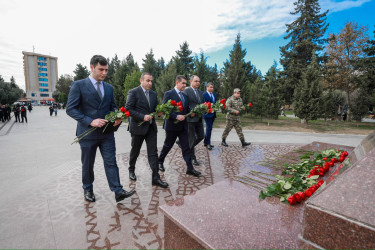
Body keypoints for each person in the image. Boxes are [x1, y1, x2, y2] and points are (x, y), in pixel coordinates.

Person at [66, 55, 135, 203]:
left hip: (106, 134)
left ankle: (118, 191)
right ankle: (88, 189)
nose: (104, 73)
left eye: (106, 70)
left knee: (111, 162)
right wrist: (90, 121)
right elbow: (70, 109)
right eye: (101, 69)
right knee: (88, 164)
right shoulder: (78, 85)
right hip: (87, 134)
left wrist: (117, 117)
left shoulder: (109, 88)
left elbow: (113, 106)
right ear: (92, 67)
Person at [125, 73, 168, 188]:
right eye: (148, 80)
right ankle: (131, 169)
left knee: (153, 153)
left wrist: (159, 112)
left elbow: (154, 109)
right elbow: (128, 109)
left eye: (151, 81)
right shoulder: (133, 92)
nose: (150, 83)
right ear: (141, 80)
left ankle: (155, 177)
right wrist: (142, 117)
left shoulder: (153, 94)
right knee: (135, 151)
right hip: (138, 128)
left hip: (151, 128)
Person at [158, 75, 201, 177]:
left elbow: (185, 110)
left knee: (186, 147)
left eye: (185, 84)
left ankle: (190, 168)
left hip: (183, 127)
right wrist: (176, 116)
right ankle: (160, 161)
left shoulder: (185, 96)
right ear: (177, 83)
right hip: (172, 126)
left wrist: (191, 113)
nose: (185, 85)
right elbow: (165, 109)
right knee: (168, 145)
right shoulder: (169, 94)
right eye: (183, 83)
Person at [183, 75, 204, 165]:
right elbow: (184, 104)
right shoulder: (186, 91)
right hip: (190, 119)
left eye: (199, 81)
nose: (198, 83)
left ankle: (184, 145)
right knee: (191, 138)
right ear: (191, 81)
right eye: (196, 81)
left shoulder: (200, 92)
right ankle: (192, 157)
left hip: (199, 118)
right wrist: (190, 112)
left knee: (201, 136)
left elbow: (202, 104)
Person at [203, 82, 217, 150]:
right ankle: (208, 143)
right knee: (209, 128)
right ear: (207, 87)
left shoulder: (214, 94)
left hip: (213, 114)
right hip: (207, 114)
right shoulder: (204, 95)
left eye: (212, 87)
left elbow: (215, 103)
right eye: (210, 87)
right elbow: (203, 104)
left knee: (210, 128)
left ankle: (206, 142)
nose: (212, 88)